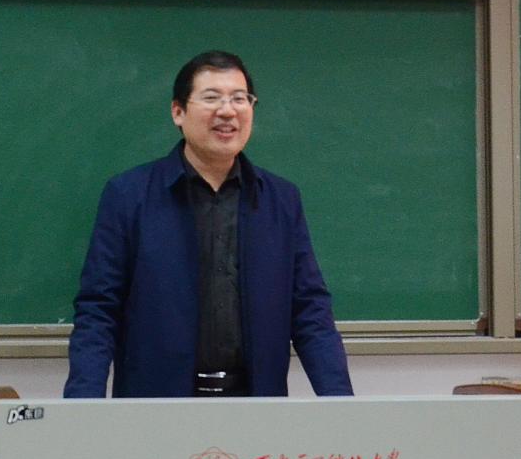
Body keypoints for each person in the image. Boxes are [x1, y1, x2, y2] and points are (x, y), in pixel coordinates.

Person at [64, 50, 353, 398]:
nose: (228, 111)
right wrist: (82, 406)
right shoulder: (129, 195)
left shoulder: (280, 199)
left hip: (256, 405)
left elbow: (310, 310)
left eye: (240, 98)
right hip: (158, 406)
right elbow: (99, 310)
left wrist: (341, 404)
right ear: (178, 112)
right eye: (212, 98)